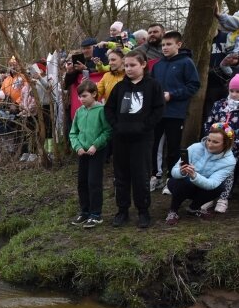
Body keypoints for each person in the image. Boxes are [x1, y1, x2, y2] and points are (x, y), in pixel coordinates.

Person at [104, 50, 165, 228]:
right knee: (121, 176)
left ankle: (143, 211)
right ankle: (122, 210)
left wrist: (143, 127)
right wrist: (117, 126)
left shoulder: (153, 86)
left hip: (142, 140)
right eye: (126, 66)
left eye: (132, 65)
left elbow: (158, 110)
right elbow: (109, 109)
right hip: (121, 139)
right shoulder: (120, 87)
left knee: (141, 176)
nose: (129, 69)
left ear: (143, 65)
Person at [149, 31, 201, 193]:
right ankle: (155, 177)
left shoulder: (186, 62)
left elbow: (193, 85)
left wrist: (172, 95)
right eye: (163, 45)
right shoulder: (157, 65)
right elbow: (151, 86)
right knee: (154, 145)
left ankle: (171, 178)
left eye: (169, 44)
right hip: (157, 113)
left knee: (173, 147)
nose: (165, 47)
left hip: (175, 113)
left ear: (178, 45)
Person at [165, 123, 237, 224]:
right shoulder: (195, 147)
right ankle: (173, 210)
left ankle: (193, 208)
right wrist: (182, 171)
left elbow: (212, 183)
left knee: (220, 187)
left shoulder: (230, 161)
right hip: (181, 185)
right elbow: (174, 172)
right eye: (209, 140)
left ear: (226, 144)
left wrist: (194, 175)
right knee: (184, 182)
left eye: (215, 142)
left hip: (202, 188)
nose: (210, 144)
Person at [69, 80, 112, 228]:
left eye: (85, 96)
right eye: (80, 96)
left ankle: (96, 214)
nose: (82, 99)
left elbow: (107, 131)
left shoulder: (101, 110)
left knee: (94, 182)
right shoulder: (79, 111)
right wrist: (77, 146)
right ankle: (85, 211)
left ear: (94, 94)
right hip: (82, 152)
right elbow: (73, 132)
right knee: (82, 182)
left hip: (97, 152)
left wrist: (96, 145)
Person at [202, 74, 239, 212]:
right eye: (232, 91)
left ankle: (223, 198)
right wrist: (210, 137)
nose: (234, 94)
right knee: (211, 169)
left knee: (229, 171)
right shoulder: (219, 105)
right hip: (215, 145)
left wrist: (234, 142)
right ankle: (209, 196)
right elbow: (209, 122)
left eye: (238, 91)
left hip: (233, 148)